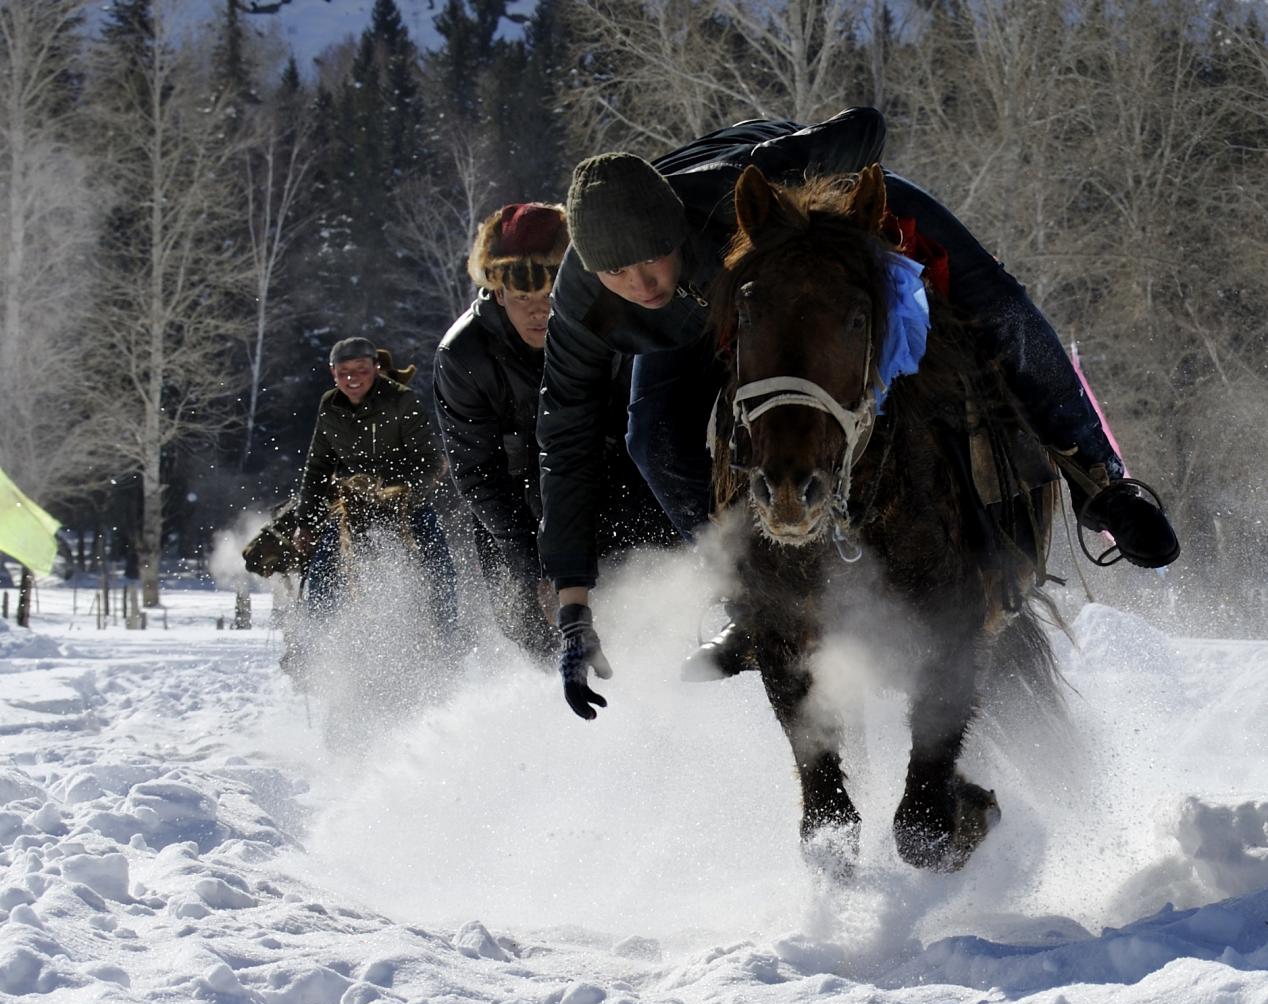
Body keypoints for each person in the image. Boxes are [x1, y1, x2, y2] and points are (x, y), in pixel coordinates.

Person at [539, 107, 1181, 720]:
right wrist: (573, 613)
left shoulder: (739, 187)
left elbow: (867, 127)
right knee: (650, 439)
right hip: (704, 310)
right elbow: (564, 441)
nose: (641, 283)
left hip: (814, 229)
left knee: (999, 310)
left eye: (652, 255)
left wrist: (804, 159)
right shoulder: (581, 305)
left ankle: (1103, 485)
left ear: (677, 229)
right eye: (617, 272)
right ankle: (749, 602)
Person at [434, 201, 673, 664]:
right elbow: (479, 476)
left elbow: (644, 436)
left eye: (548, 294)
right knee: (532, 626)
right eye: (522, 297)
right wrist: (536, 570)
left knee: (649, 600)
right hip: (518, 512)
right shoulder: (463, 357)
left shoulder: (611, 324)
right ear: (498, 292)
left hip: (613, 485)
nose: (538, 311)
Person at [287, 336, 460, 661]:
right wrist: (305, 523)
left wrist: (399, 492)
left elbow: (431, 462)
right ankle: (312, 655)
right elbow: (318, 466)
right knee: (321, 574)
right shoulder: (329, 406)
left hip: (407, 505)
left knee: (441, 572)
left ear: (375, 368)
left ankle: (448, 650)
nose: (352, 378)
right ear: (333, 373)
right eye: (344, 372)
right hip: (353, 507)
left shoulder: (402, 400)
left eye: (361, 370)